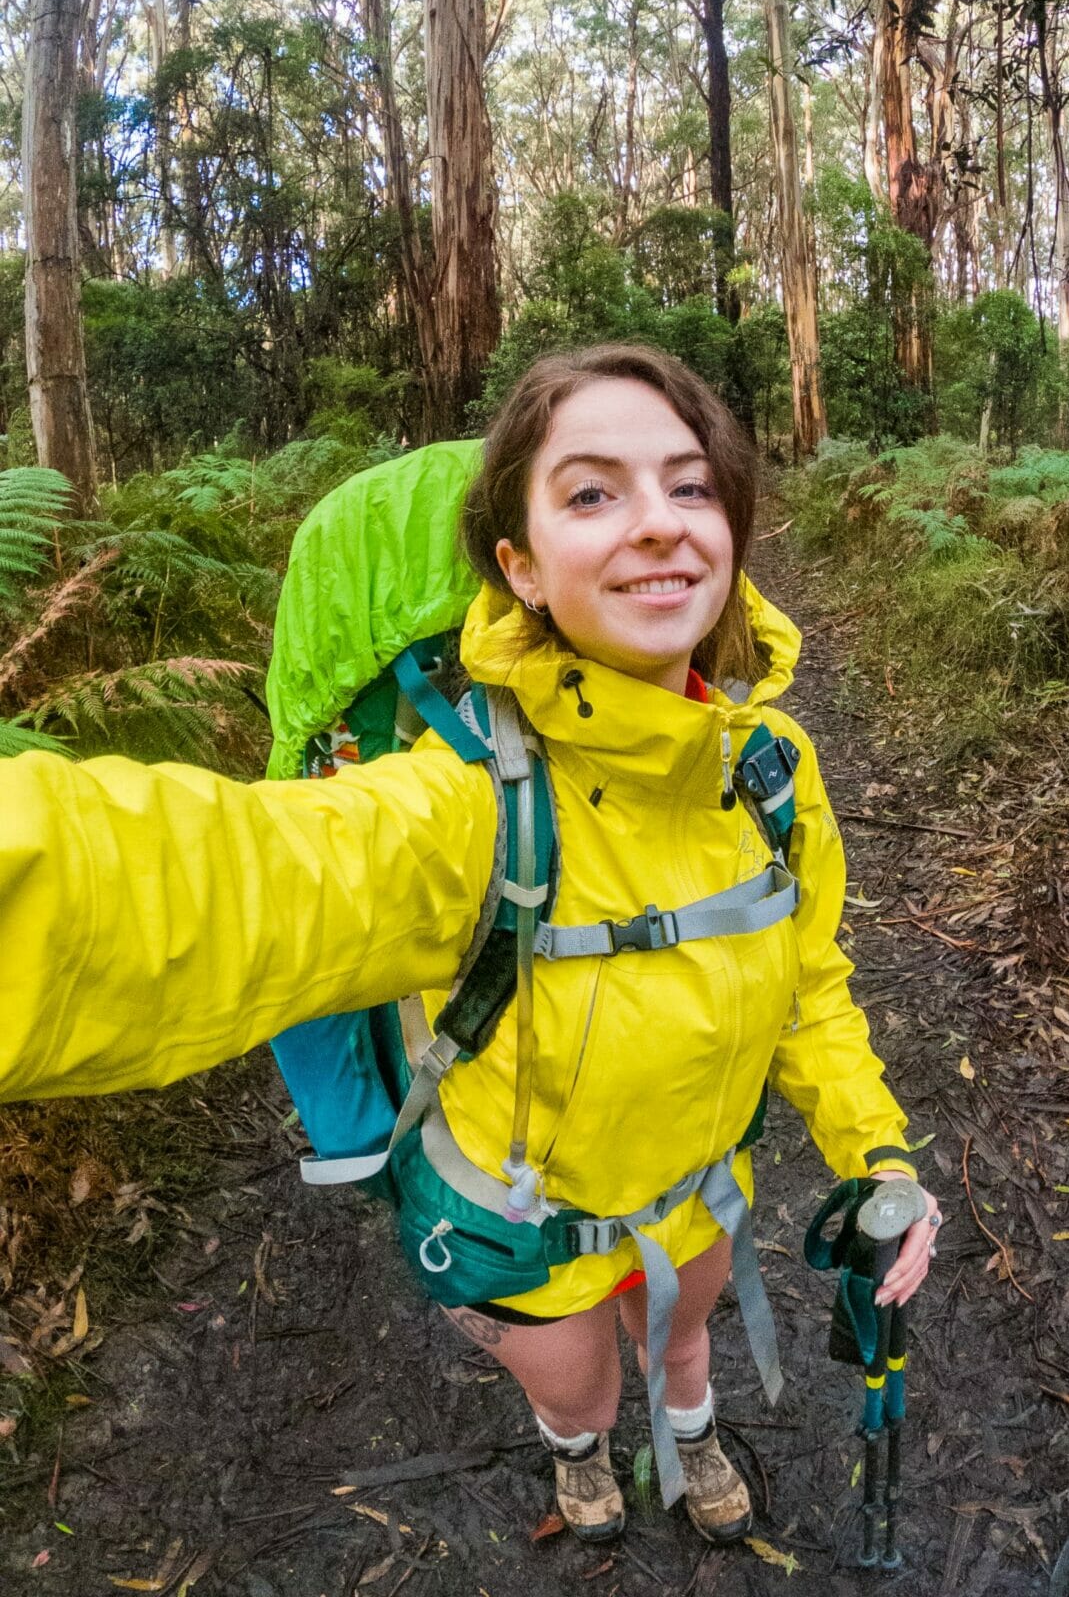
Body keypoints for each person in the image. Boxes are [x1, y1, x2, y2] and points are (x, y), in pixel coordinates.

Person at [0, 343, 939, 1543]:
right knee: (583, 1390)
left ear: (735, 534)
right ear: (522, 568)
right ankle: (581, 1458)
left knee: (683, 1339)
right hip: (520, 1231)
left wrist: (879, 1154)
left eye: (690, 486)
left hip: (703, 1200)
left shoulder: (771, 771)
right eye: (591, 493)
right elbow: (201, 882)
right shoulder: (462, 804)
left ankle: (692, 1434)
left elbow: (810, 985)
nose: (658, 524)